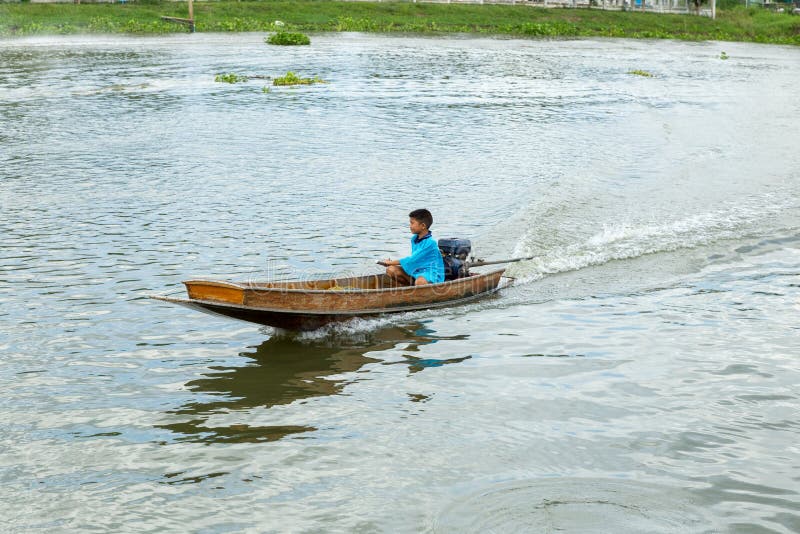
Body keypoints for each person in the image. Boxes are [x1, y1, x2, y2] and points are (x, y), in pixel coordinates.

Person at [380, 209, 445, 286]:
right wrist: (390, 264)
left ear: (423, 226)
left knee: (420, 282)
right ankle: (413, 287)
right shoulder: (414, 239)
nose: (410, 226)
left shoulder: (430, 243)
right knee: (391, 270)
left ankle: (418, 286)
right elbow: (414, 261)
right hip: (418, 270)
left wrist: (389, 262)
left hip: (431, 273)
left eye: (412, 223)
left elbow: (412, 259)